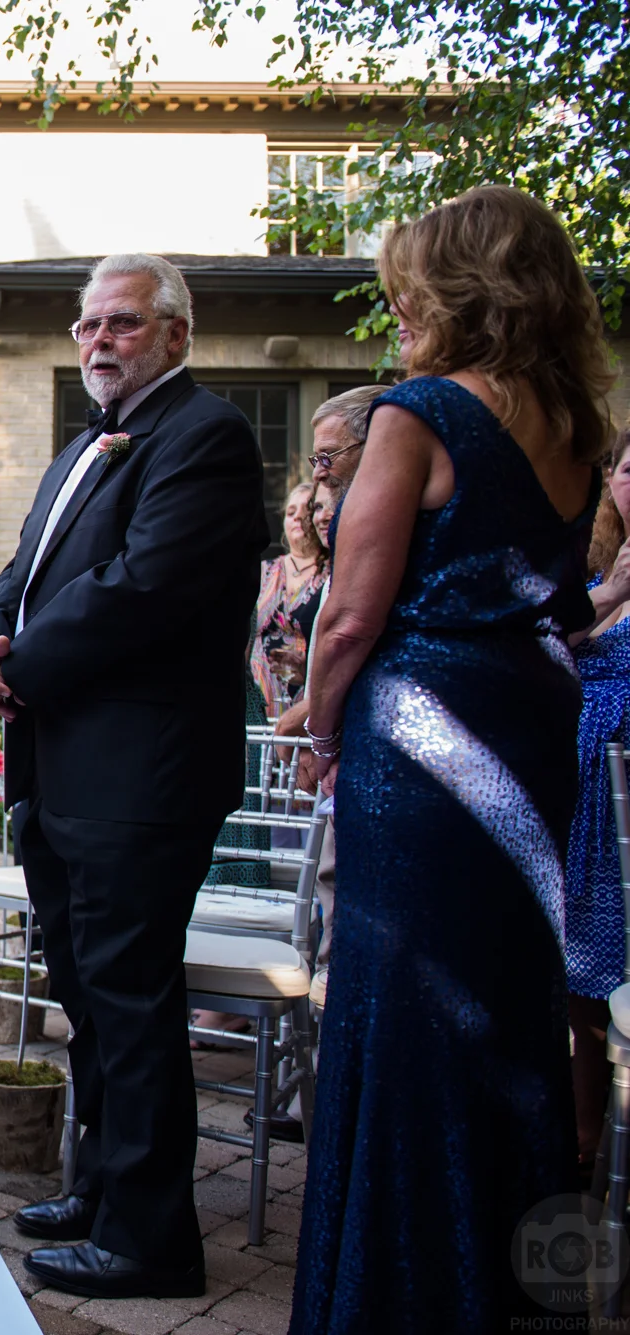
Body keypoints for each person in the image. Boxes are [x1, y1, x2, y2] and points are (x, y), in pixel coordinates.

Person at [292, 186, 614, 1331]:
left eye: (409, 287)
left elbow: (347, 616)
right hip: (528, 727)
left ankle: (394, 1294)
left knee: (401, 1002)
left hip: (421, 737)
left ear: (456, 288)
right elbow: (565, 600)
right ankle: (506, 1292)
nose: (399, 308)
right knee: (507, 1000)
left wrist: (320, 729)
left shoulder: (416, 411)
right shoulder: (577, 426)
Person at [0, 254, 266, 1300]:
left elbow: (144, 588)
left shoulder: (205, 436)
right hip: (62, 770)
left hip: (142, 777)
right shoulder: (83, 445)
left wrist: (23, 667)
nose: (98, 340)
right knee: (87, 999)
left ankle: (151, 1241)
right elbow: (25, 569)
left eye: (122, 323)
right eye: (87, 324)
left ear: (175, 333)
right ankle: (100, 1189)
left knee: (131, 1003)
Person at [566, 426, 630, 1179]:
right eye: (627, 469)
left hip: (623, 806)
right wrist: (611, 591)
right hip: (578, 795)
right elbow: (554, 635)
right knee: (578, 973)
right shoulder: (596, 562)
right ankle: (584, 1143)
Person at [249, 482, 325, 715]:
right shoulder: (263, 571)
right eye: (291, 512)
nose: (298, 517)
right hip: (259, 702)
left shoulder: (331, 575)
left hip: (308, 702)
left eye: (307, 510)